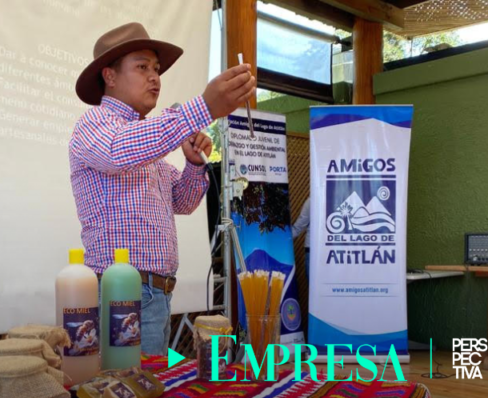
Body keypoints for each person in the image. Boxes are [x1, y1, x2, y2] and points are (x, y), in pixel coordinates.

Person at [70, 22, 256, 355]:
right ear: (109, 76)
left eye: (156, 69)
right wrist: (203, 108)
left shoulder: (147, 143)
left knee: (140, 384)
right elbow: (117, 152)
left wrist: (194, 165)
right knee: (128, 383)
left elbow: (182, 202)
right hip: (123, 293)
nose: (155, 77)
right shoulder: (95, 124)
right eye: (142, 67)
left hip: (154, 294)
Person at [292, 197, 311, 279]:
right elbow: (298, 228)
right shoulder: (312, 200)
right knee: (313, 285)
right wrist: (280, 240)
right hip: (313, 251)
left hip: (339, 251)